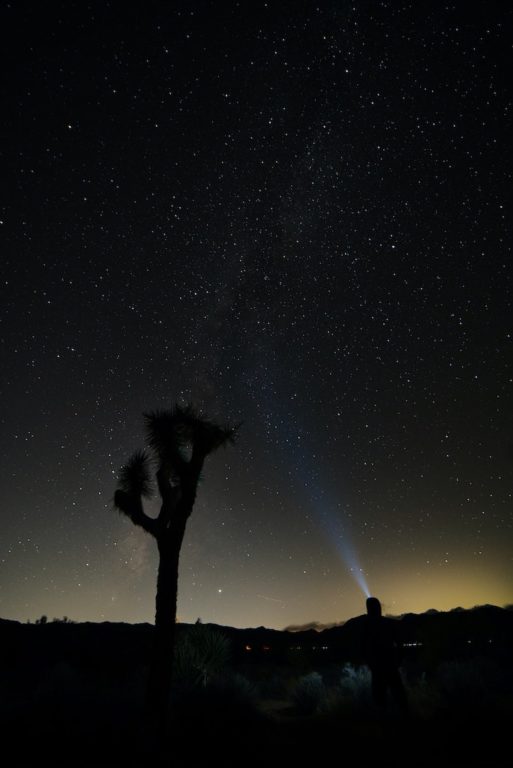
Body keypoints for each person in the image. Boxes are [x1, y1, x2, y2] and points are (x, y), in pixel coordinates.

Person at [362, 596, 407, 710]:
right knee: (394, 696)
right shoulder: (385, 624)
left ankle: (393, 720)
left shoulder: (367, 626)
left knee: (384, 698)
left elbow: (399, 644)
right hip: (386, 666)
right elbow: (400, 644)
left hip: (383, 666)